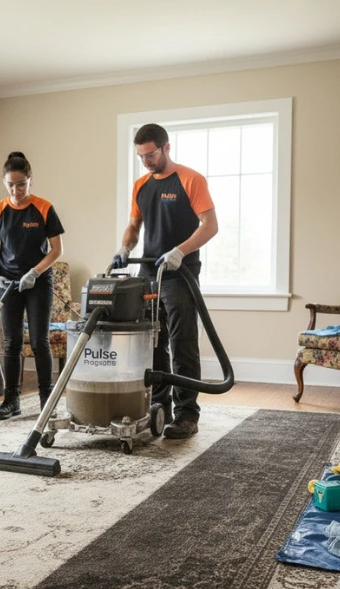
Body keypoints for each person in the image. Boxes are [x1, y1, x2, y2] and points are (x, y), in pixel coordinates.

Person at [114, 123, 218, 439]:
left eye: (151, 154)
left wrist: (180, 251)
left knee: (181, 341)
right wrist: (124, 247)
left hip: (180, 273)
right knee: (153, 343)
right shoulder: (141, 186)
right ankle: (159, 409)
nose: (146, 161)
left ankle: (187, 415)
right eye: (141, 156)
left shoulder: (191, 179)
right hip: (148, 273)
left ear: (166, 147)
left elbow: (210, 225)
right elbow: (134, 226)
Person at [0, 151, 65, 420]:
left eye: (21, 184)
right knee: (11, 343)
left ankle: (46, 401)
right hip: (7, 283)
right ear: (4, 183)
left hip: (38, 281)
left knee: (40, 342)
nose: (16, 190)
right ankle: (11, 401)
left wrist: (35, 272)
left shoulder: (43, 208)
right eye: (11, 184)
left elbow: (56, 250)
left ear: (30, 180)